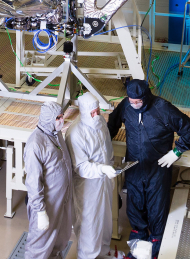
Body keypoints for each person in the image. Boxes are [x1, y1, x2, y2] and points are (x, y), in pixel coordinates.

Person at [108, 79, 190, 259]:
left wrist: (177, 151)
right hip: (134, 165)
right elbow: (113, 123)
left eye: (137, 102)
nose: (134, 105)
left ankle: (156, 242)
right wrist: (104, 142)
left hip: (158, 166)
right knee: (135, 203)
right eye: (131, 101)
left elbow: (188, 128)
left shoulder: (163, 108)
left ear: (146, 97)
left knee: (157, 205)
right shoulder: (126, 105)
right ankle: (137, 240)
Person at [68, 92, 119, 259]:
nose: (96, 115)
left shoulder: (101, 122)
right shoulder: (75, 133)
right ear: (83, 112)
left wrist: (109, 168)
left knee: (105, 218)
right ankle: (88, 255)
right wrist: (102, 169)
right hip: (87, 186)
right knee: (90, 222)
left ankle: (103, 252)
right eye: (92, 113)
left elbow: (107, 148)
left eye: (97, 110)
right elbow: (81, 167)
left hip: (104, 180)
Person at [24, 101, 74, 259]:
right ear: (48, 119)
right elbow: (33, 182)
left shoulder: (55, 134)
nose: (62, 120)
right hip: (48, 205)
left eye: (62, 116)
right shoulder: (35, 145)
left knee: (60, 237)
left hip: (62, 200)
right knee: (39, 245)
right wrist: (40, 211)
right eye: (58, 118)